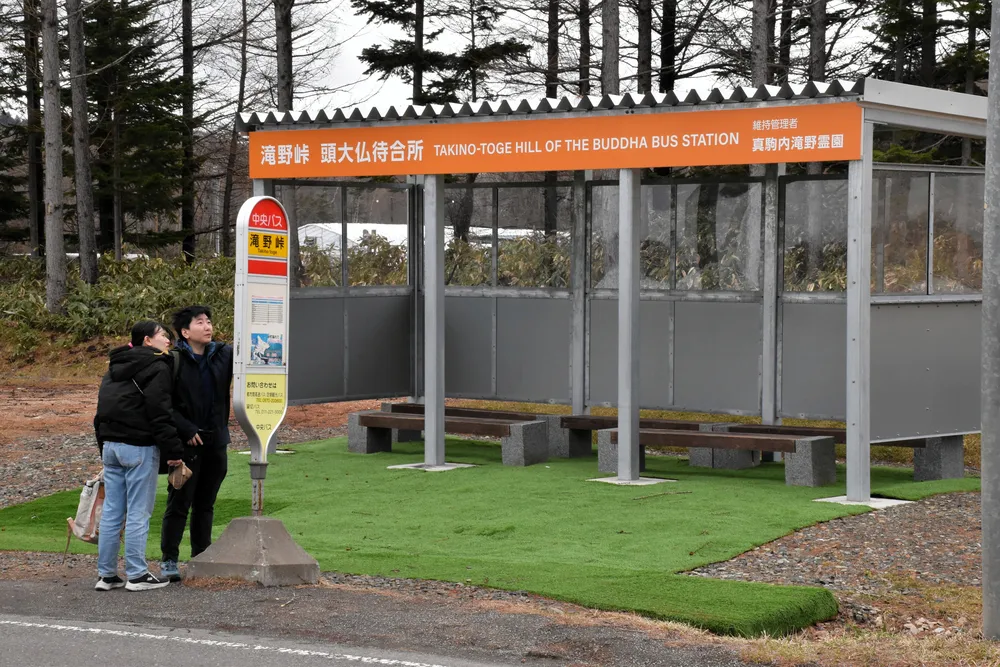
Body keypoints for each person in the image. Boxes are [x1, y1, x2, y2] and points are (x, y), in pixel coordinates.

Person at [93, 320, 184, 592]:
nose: (168, 341)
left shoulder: (114, 367)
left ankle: (106, 575)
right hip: (139, 446)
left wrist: (104, 446)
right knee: (138, 512)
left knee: (112, 511)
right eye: (163, 336)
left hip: (111, 445)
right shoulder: (157, 367)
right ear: (147, 340)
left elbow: (101, 411)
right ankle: (137, 574)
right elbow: (160, 412)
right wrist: (174, 451)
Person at [159, 306, 233, 581]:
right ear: (185, 332)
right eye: (199, 322)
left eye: (209, 321)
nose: (207, 326)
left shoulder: (222, 354)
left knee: (206, 503)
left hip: (216, 441)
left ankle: (202, 555)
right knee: (180, 501)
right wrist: (186, 428)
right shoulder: (173, 360)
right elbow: (163, 402)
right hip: (186, 445)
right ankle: (169, 559)